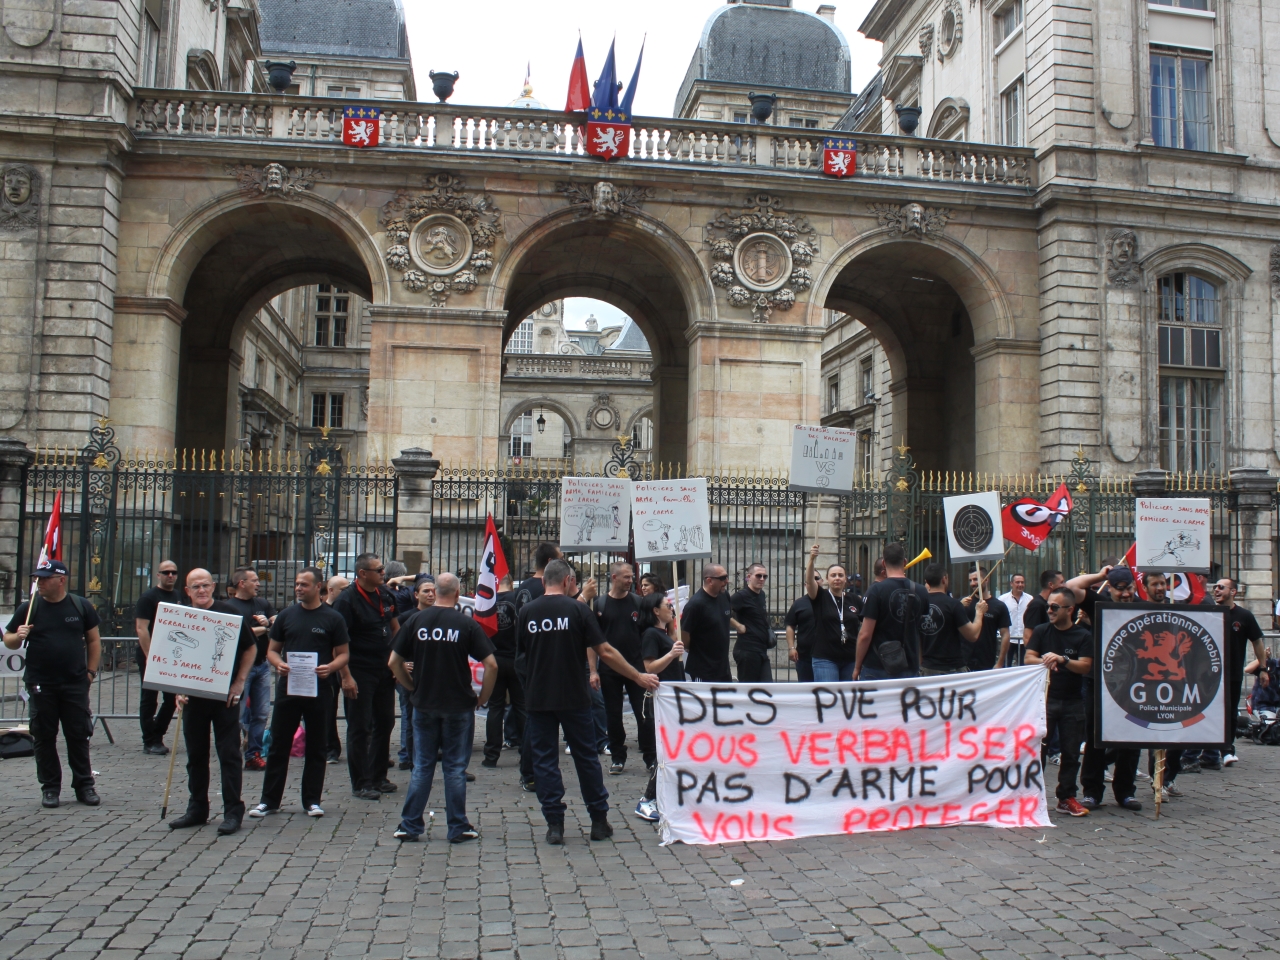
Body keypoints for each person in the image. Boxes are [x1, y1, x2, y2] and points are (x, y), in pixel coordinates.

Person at [520, 559, 659, 845]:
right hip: (574, 695)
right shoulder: (577, 609)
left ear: (545, 580)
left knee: (545, 761)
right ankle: (598, 820)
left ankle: (554, 824)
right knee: (586, 759)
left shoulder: (527, 612)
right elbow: (605, 650)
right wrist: (637, 676)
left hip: (539, 696)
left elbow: (522, 658)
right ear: (569, 581)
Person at [390, 572, 498, 843]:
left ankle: (410, 825)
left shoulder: (415, 620)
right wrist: (483, 697)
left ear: (435, 591)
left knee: (422, 766)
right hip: (458, 704)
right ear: (458, 591)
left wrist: (411, 686)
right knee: (454, 767)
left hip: (424, 702)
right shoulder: (466, 623)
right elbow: (492, 665)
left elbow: (394, 661)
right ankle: (457, 827)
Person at [248, 567, 353, 819]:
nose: (298, 588)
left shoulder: (332, 618)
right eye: (297, 584)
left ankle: (312, 801)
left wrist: (332, 667)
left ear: (319, 587)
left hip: (319, 690)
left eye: (304, 584)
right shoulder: (286, 616)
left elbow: (344, 654)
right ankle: (269, 801)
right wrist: (278, 663)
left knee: (317, 747)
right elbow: (273, 650)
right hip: (289, 690)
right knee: (278, 746)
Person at [3, 560, 102, 808]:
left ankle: (84, 786)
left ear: (61, 579)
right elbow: (9, 640)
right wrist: (19, 635)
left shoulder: (81, 606)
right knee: (44, 736)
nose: (40, 582)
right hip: (41, 683)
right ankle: (50, 788)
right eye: (38, 578)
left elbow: (93, 640)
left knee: (78, 735)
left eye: (45, 578)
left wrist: (90, 672)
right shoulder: (29, 607)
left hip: (74, 682)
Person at [169, 568, 259, 834]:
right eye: (195, 587)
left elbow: (250, 647)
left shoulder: (229, 613)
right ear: (187, 591)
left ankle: (233, 810)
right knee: (196, 755)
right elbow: (174, 654)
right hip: (193, 696)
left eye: (205, 585)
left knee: (229, 754)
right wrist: (177, 688)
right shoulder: (181, 616)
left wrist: (240, 682)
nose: (200, 591)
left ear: (213, 586)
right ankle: (197, 808)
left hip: (224, 696)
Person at [1067, 565, 1143, 810]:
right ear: (1109, 588)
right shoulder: (1098, 603)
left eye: (1129, 588)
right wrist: (1100, 575)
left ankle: (1125, 792)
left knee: (1132, 737)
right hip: (1100, 681)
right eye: (1119, 589)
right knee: (1095, 737)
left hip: (1135, 682)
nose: (1125, 594)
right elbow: (1071, 587)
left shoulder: (1144, 607)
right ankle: (1092, 791)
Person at [331, 553, 400, 801]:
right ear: (362, 574)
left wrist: (396, 661)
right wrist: (345, 677)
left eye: (382, 569)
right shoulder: (347, 601)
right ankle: (361, 782)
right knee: (360, 727)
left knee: (385, 722)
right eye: (378, 570)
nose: (383, 573)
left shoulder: (386, 595)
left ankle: (378, 776)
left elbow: (395, 628)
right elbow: (338, 643)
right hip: (359, 670)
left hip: (384, 668)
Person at [1025, 586, 1094, 817]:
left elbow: (1085, 665)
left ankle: (1066, 797)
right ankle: (1032, 796)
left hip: (1073, 700)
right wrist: (1045, 660)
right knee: (1038, 750)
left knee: (1071, 752)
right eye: (1048, 606)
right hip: (1045, 700)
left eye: (1055, 607)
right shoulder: (1042, 631)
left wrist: (1064, 660)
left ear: (1070, 609)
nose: (1049, 611)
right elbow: (1028, 658)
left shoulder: (1082, 635)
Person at [589, 562, 653, 776]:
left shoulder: (638, 602)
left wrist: (648, 664)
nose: (631, 580)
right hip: (609, 671)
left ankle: (650, 757)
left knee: (643, 714)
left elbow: (648, 635)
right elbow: (591, 642)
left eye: (631, 576)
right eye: (626, 577)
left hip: (636, 670)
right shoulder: (600, 605)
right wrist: (593, 670)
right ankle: (618, 756)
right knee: (613, 715)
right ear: (614, 577)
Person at [634, 592, 684, 822]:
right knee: (663, 751)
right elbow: (650, 667)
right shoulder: (651, 635)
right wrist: (672, 654)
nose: (671, 608)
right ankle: (647, 800)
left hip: (673, 700)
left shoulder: (663, 633)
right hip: (661, 702)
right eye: (667, 605)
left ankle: (664, 794)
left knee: (673, 749)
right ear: (655, 610)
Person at [223, 568, 275, 771]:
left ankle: (254, 753)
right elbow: (238, 633)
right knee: (238, 713)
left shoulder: (262, 604)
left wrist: (269, 622)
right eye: (254, 580)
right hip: (241, 669)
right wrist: (263, 629)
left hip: (262, 665)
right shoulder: (229, 607)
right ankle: (233, 750)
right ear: (241, 583)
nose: (259, 584)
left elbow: (276, 621)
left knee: (261, 713)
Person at [853, 543, 931, 680]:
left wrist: (857, 667)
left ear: (883, 563)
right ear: (905, 561)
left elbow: (865, 634)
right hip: (909, 665)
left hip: (877, 665)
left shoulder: (876, 591)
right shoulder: (921, 591)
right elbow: (921, 631)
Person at [1213, 578, 1265, 768]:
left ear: (1233, 591)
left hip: (1233, 673)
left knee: (1231, 712)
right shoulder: (1209, 613)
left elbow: (1257, 641)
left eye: (1221, 587)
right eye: (1214, 587)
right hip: (1209, 675)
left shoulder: (1244, 615)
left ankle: (1227, 749)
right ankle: (1206, 750)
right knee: (1209, 711)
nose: (1216, 590)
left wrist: (1263, 669)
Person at [134, 560, 180, 755]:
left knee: (171, 698)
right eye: (166, 572)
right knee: (149, 698)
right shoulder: (149, 597)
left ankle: (158, 733)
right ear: (158, 575)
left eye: (174, 572)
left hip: (173, 654)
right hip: (151, 653)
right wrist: (150, 656)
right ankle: (149, 740)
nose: (170, 575)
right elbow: (141, 628)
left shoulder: (179, 596)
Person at [482, 574, 524, 769]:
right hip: (515, 659)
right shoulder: (518, 599)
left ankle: (491, 755)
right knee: (521, 707)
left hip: (494, 659)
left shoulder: (487, 603)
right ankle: (526, 751)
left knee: (495, 708)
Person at [804, 546, 862, 682]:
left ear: (846, 579)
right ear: (827, 579)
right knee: (828, 699)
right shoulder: (820, 596)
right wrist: (811, 560)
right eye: (833, 575)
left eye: (840, 575)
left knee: (847, 700)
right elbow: (810, 581)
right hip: (825, 659)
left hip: (850, 659)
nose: (837, 578)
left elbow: (865, 623)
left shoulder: (854, 599)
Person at [396, 575, 436, 770]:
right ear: (416, 594)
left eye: (433, 591)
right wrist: (400, 665)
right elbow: (394, 646)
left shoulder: (440, 615)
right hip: (410, 673)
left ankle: (427, 751)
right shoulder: (406, 617)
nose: (430, 594)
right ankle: (407, 754)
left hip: (432, 673)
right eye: (426, 591)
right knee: (409, 713)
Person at [680, 563, 742, 683]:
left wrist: (738, 625)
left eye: (727, 577)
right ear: (710, 580)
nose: (727, 581)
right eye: (722, 578)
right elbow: (685, 634)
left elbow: (725, 617)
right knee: (704, 702)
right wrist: (691, 647)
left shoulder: (724, 596)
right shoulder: (695, 605)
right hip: (703, 669)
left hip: (723, 668)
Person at [918, 563, 984, 676]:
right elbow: (972, 635)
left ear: (926, 581)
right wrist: (979, 613)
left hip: (927, 668)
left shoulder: (918, 604)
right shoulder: (953, 604)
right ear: (944, 579)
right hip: (952, 669)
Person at [731, 563, 773, 683]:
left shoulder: (761, 595)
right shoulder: (741, 596)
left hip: (761, 650)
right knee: (748, 690)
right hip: (747, 650)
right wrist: (737, 625)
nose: (762, 579)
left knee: (767, 688)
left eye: (765, 576)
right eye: (758, 576)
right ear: (749, 577)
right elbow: (722, 611)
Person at [323, 575, 349, 764]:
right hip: (328, 667)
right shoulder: (323, 611)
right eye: (343, 589)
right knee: (328, 709)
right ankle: (331, 748)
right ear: (331, 590)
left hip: (347, 663)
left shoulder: (349, 608)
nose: (347, 592)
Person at [964, 568, 1009, 672]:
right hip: (964, 662)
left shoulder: (999, 606)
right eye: (970, 580)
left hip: (987, 661)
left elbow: (1005, 634)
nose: (973, 583)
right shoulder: (964, 603)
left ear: (986, 580)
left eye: (976, 579)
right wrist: (959, 606)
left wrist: (1000, 663)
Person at [785, 569, 822, 682]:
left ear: (822, 581)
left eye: (816, 578)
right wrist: (791, 647)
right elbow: (790, 625)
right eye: (810, 579)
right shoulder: (799, 603)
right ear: (806, 585)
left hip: (826, 657)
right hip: (805, 656)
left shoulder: (830, 600)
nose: (814, 581)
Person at [1022, 570, 1064, 647]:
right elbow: (1028, 636)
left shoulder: (1046, 603)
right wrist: (1033, 655)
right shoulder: (1037, 605)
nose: (1064, 585)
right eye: (1061, 582)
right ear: (1051, 584)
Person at [998, 573, 1031, 667]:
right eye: (1017, 582)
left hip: (1024, 640)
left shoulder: (1030, 599)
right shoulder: (1002, 599)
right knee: (1006, 666)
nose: (1020, 585)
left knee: (1024, 666)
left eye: (1022, 582)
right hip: (1008, 639)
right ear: (1011, 583)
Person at [515, 542, 561, 610]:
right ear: (550, 562)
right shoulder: (549, 588)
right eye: (561, 559)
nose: (564, 563)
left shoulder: (522, 586)